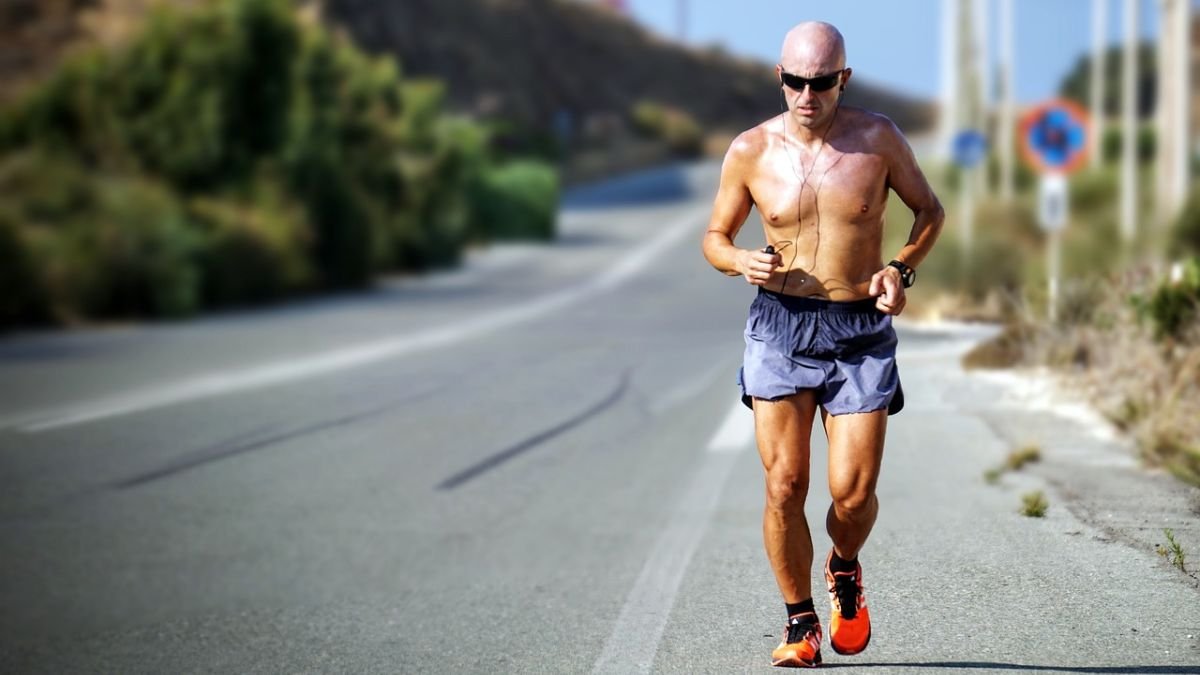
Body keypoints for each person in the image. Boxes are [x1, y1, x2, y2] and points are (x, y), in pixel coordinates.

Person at [701, 21, 944, 668]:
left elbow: (930, 211)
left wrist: (901, 269)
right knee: (784, 483)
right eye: (794, 81)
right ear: (779, 77)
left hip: (859, 328)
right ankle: (800, 620)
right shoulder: (751, 150)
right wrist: (737, 261)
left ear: (844, 79)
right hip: (779, 324)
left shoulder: (879, 139)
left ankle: (844, 566)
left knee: (852, 494)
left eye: (821, 82)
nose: (806, 95)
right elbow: (715, 236)